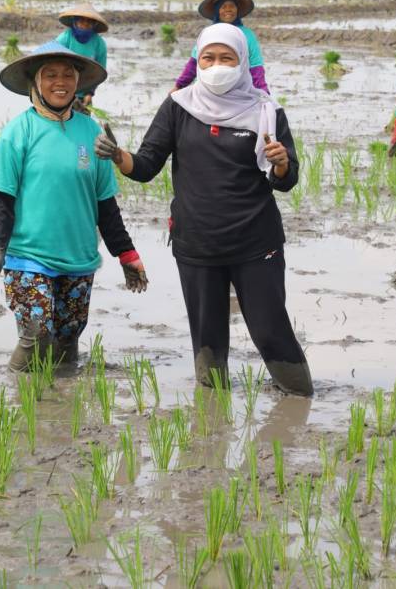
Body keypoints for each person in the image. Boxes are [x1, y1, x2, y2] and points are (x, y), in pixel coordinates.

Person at [96, 22, 313, 396]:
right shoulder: (178, 106)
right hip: (196, 243)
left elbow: (285, 180)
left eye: (226, 58)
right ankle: (212, 420)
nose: (216, 65)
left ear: (242, 62)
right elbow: (147, 166)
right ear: (197, 60)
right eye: (208, 57)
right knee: (207, 337)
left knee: (270, 328)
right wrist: (118, 156)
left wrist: (280, 163)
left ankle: (299, 399)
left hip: (255, 241)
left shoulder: (266, 111)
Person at [0, 40, 147, 372]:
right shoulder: (18, 133)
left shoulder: (92, 133)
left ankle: (62, 410)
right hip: (28, 256)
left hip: (78, 258)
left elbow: (105, 204)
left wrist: (127, 254)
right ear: (36, 83)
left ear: (78, 82)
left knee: (68, 340)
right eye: (51, 75)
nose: (60, 82)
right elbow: (1, 200)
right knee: (37, 335)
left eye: (68, 75)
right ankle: (18, 395)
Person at [172, 0, 268, 93]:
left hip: (237, 90)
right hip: (208, 88)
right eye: (223, 6)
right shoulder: (208, 33)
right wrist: (179, 86)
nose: (228, 9)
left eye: (232, 6)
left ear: (237, 10)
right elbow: (194, 62)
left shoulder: (247, 35)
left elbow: (255, 66)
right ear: (217, 10)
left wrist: (263, 92)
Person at [55, 3, 109, 109]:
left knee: (83, 123)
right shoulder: (64, 39)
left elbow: (99, 71)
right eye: (81, 20)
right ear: (74, 21)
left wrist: (89, 93)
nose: (85, 24)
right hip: (61, 92)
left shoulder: (99, 43)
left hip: (83, 95)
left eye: (89, 22)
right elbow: (52, 66)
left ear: (94, 24)